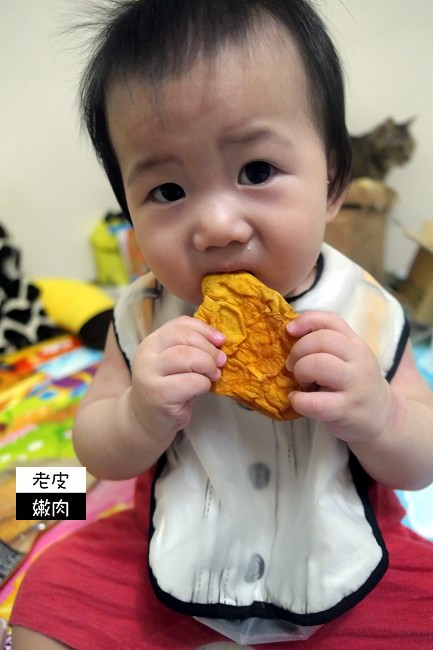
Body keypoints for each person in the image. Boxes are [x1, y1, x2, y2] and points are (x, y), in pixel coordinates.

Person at [10, 0, 433, 648]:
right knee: (49, 595)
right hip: (170, 542)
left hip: (345, 546)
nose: (214, 226)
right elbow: (93, 444)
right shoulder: (144, 314)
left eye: (256, 171)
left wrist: (378, 415)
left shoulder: (368, 309)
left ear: (332, 181)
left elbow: (421, 457)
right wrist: (137, 414)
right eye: (168, 192)